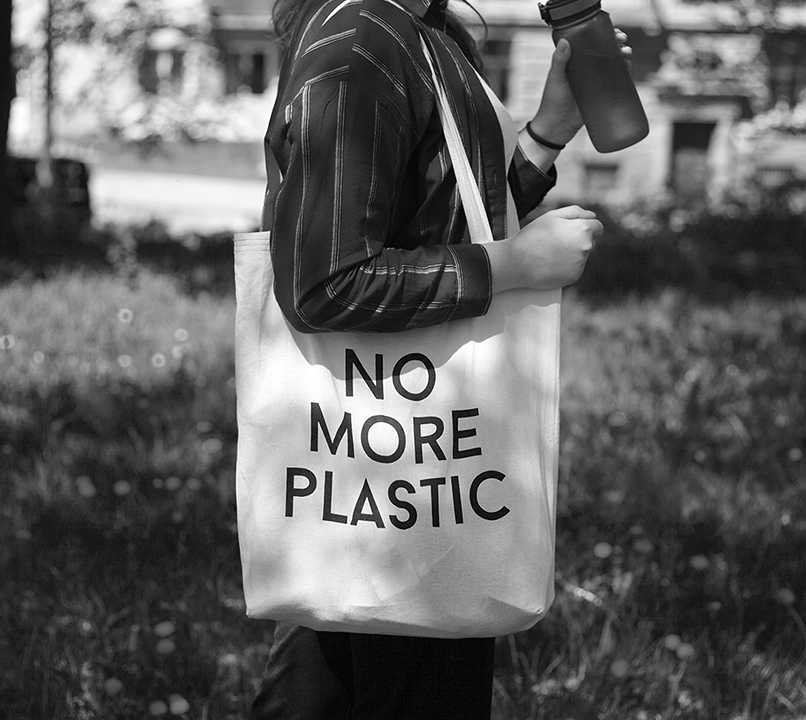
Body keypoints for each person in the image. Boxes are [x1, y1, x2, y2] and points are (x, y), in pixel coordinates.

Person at [248, 0, 624, 716]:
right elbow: (323, 281)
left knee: (324, 681)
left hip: (387, 454)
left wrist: (542, 139)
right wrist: (512, 266)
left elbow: (439, 218)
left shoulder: (419, 26)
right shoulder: (364, 34)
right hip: (405, 464)